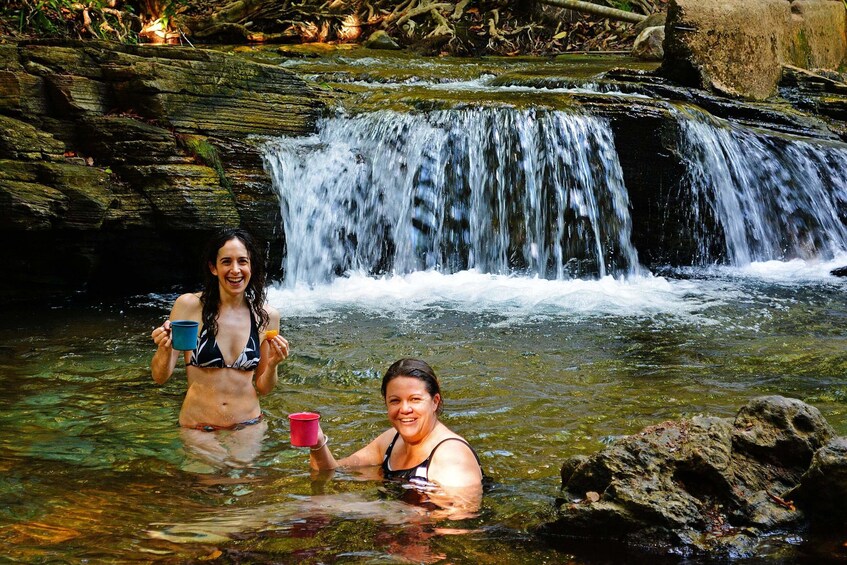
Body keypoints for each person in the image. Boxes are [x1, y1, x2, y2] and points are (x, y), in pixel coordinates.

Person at [150, 228, 289, 465]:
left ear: (251, 266)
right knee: (207, 491)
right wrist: (163, 348)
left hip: (248, 425)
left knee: (245, 492)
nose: (235, 270)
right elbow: (160, 377)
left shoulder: (266, 316)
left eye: (242, 261)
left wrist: (274, 363)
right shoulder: (190, 306)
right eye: (226, 262)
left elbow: (263, 387)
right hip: (198, 426)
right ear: (213, 268)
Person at [308, 358, 484, 516]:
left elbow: (462, 515)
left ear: (434, 402)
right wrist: (318, 443)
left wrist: (379, 511)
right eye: (395, 401)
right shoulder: (392, 439)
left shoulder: (451, 456)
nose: (404, 409)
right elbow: (333, 471)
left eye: (415, 399)